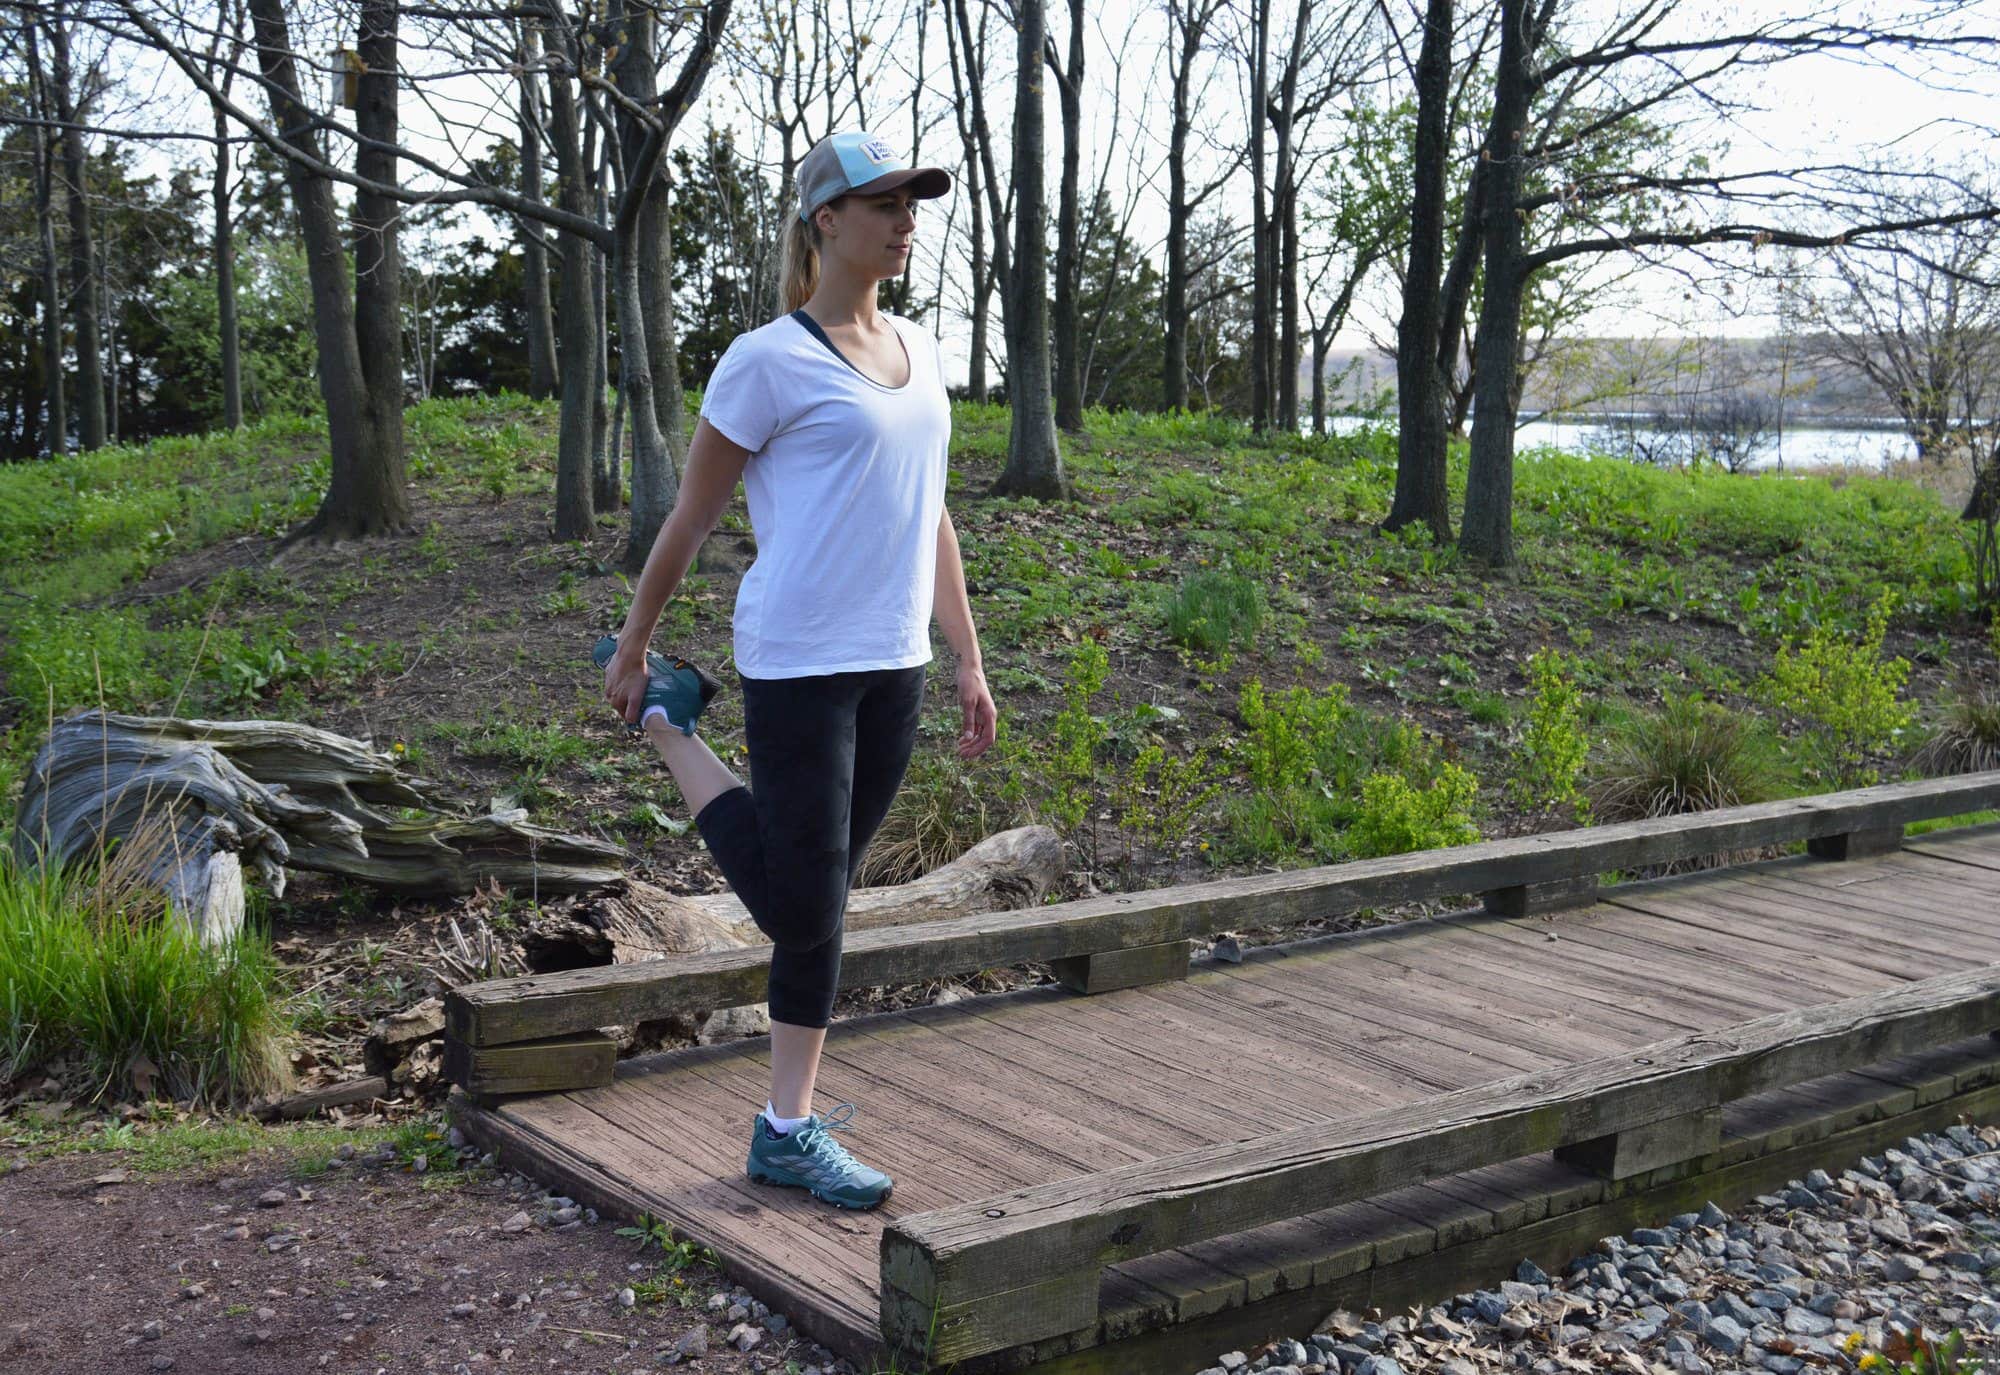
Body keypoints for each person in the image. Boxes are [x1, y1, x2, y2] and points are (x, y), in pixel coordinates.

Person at [597, 130, 996, 1211]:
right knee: (808, 908)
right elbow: (692, 514)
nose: (905, 218)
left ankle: (785, 1126)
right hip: (799, 663)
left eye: (912, 202)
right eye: (883, 203)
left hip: (892, 666)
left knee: (810, 900)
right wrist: (634, 642)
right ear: (825, 220)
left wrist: (965, 654)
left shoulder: (917, 353)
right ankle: (785, 1128)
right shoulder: (766, 358)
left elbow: (933, 518)